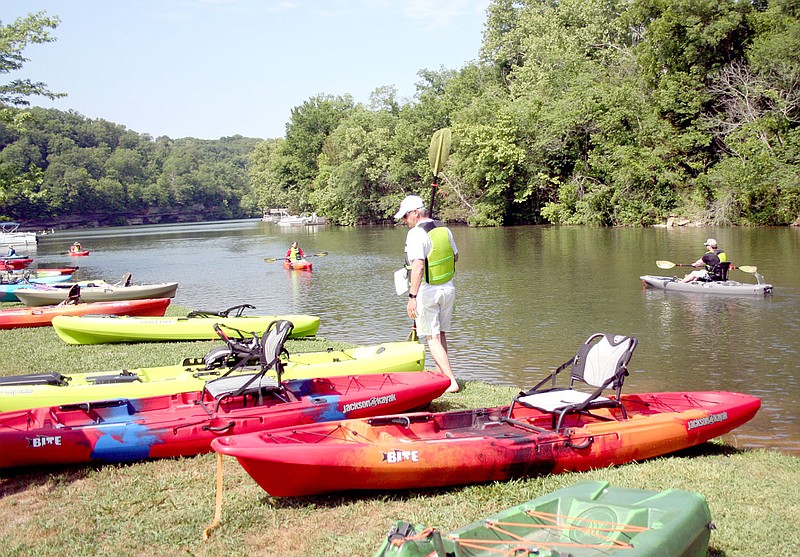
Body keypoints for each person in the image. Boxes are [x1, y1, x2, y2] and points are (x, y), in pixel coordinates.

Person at [395, 194, 460, 393]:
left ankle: (450, 381)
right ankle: (441, 372)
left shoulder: (416, 234)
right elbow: (456, 257)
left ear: (415, 213)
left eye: (405, 217)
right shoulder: (444, 228)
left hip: (427, 291)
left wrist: (412, 297)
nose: (405, 221)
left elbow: (418, 266)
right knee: (440, 333)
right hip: (448, 288)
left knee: (431, 337)